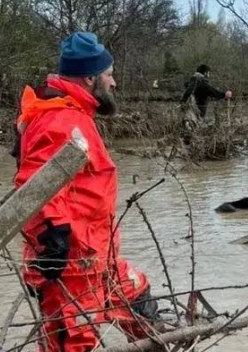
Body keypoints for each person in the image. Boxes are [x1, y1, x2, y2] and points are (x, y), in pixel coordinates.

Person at [14, 31, 158, 351]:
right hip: (71, 267)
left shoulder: (74, 114)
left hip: (98, 258)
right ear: (90, 77)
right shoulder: (60, 118)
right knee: (75, 343)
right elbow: (37, 181)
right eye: (109, 74)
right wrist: (53, 235)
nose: (114, 82)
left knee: (143, 307)